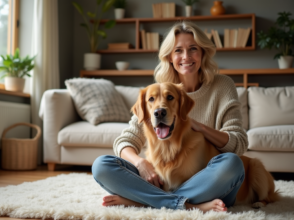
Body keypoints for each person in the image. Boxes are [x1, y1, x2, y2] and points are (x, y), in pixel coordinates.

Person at [91, 21, 248, 213]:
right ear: (169, 57)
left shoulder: (222, 85)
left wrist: (200, 127)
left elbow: (238, 143)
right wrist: (141, 164)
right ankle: (188, 206)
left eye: (193, 49)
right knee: (102, 165)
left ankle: (144, 201)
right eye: (178, 51)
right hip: (167, 182)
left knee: (233, 164)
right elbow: (126, 140)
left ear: (203, 52)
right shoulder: (158, 92)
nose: (186, 57)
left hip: (206, 181)